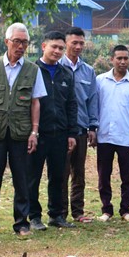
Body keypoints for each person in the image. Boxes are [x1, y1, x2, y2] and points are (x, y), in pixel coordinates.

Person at [0, 23, 47, 237]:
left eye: (25, 42)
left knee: (22, 178)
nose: (21, 46)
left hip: (21, 132)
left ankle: (21, 223)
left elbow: (36, 103)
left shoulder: (33, 70)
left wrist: (34, 131)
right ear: (6, 42)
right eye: (16, 41)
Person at [28, 31, 79, 230]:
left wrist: (72, 133)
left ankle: (56, 215)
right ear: (43, 46)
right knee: (33, 176)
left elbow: (71, 105)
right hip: (38, 133)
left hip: (60, 133)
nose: (57, 51)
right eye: (54, 47)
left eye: (60, 48)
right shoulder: (32, 70)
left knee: (58, 176)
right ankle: (33, 216)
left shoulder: (66, 73)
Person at [95, 45, 129, 222]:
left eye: (126, 58)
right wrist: (93, 130)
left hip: (126, 138)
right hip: (104, 136)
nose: (123, 62)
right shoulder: (100, 80)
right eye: (119, 58)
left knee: (127, 176)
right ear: (112, 59)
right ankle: (106, 209)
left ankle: (125, 210)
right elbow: (95, 107)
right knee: (103, 174)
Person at [58, 27, 100, 224]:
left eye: (81, 43)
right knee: (61, 172)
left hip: (82, 128)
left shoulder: (88, 71)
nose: (78, 46)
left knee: (79, 173)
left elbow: (92, 100)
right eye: (74, 42)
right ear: (66, 43)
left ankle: (77, 211)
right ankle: (59, 212)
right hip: (60, 130)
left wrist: (93, 127)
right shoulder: (55, 67)